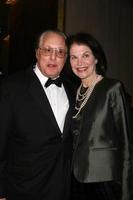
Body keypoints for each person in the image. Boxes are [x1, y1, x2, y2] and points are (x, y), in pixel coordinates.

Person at [0, 29, 75, 200]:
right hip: (22, 190)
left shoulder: (72, 89)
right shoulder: (11, 88)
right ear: (37, 53)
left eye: (60, 52)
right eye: (48, 50)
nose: (53, 57)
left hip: (62, 189)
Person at [67, 32, 133, 200]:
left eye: (85, 55)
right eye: (73, 57)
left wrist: (126, 192)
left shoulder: (112, 88)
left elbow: (127, 144)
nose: (79, 63)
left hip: (104, 181)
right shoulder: (72, 92)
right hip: (75, 180)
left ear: (96, 58)